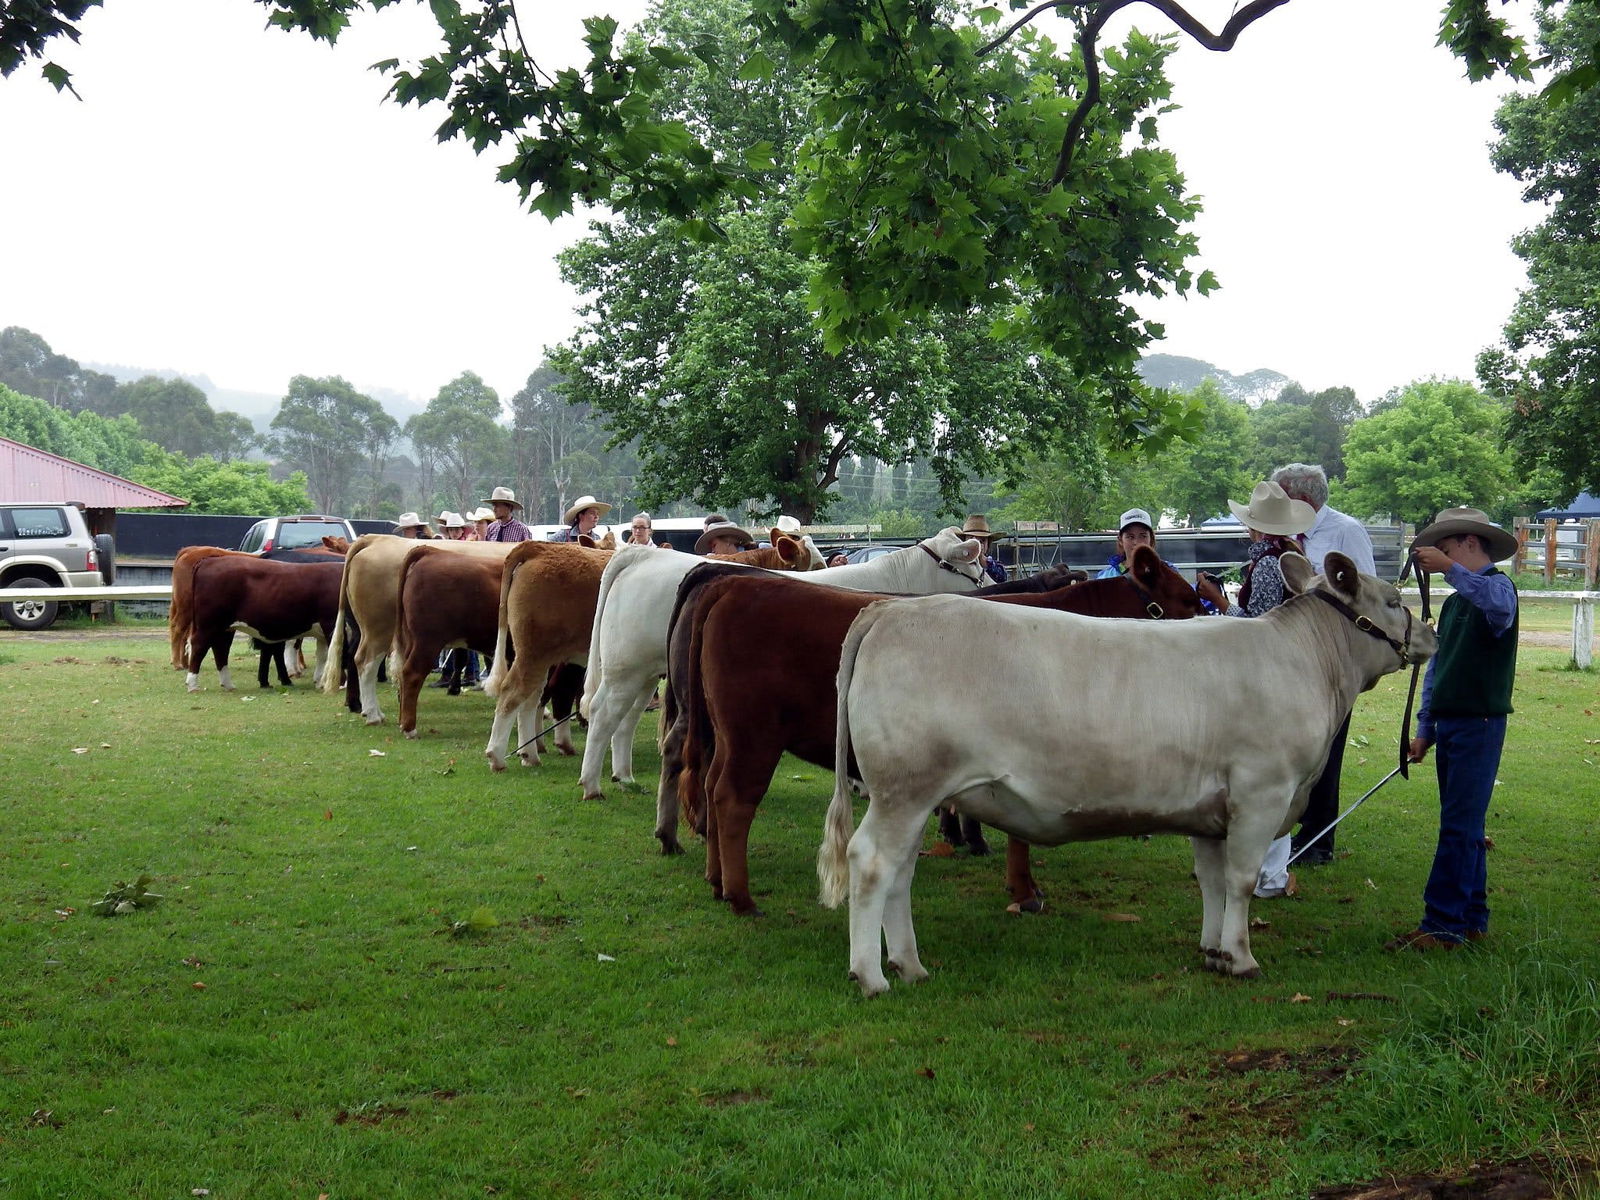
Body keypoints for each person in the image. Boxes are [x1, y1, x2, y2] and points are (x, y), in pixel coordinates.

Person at [1388, 507, 1519, 952]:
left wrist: (1451, 570)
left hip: (1480, 723)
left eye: (1447, 551)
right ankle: (1471, 918)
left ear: (1469, 543)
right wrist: (1425, 726)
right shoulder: (1457, 601)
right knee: (1465, 824)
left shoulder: (1498, 588)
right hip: (1454, 723)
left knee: (1459, 827)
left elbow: (1497, 604)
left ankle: (1443, 924)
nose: (1441, 563)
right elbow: (1437, 670)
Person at [1209, 480, 1317, 899]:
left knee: (1265, 772)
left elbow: (1258, 620)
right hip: (1279, 671)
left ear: (1255, 528)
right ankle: (1265, 869)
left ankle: (1267, 873)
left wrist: (1218, 603)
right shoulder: (1287, 557)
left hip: (1264, 674)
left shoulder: (1270, 564)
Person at [1273, 463, 1378, 866]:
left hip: (1332, 659)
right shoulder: (1282, 534)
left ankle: (1318, 839)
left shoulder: (1346, 532)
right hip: (1288, 656)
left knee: (1326, 748)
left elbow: (1365, 593)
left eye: (1282, 498)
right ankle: (1288, 829)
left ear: (1301, 499)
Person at [1095, 509, 1158, 579]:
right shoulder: (1105, 578)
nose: (1136, 542)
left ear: (1151, 539)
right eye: (1130, 537)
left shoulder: (1168, 573)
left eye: (1143, 536)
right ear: (1120, 540)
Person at [963, 515, 1007, 583]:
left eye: (982, 540)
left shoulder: (995, 566)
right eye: (971, 540)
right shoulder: (957, 564)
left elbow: (1002, 578)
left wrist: (982, 560)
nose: (977, 544)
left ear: (988, 544)